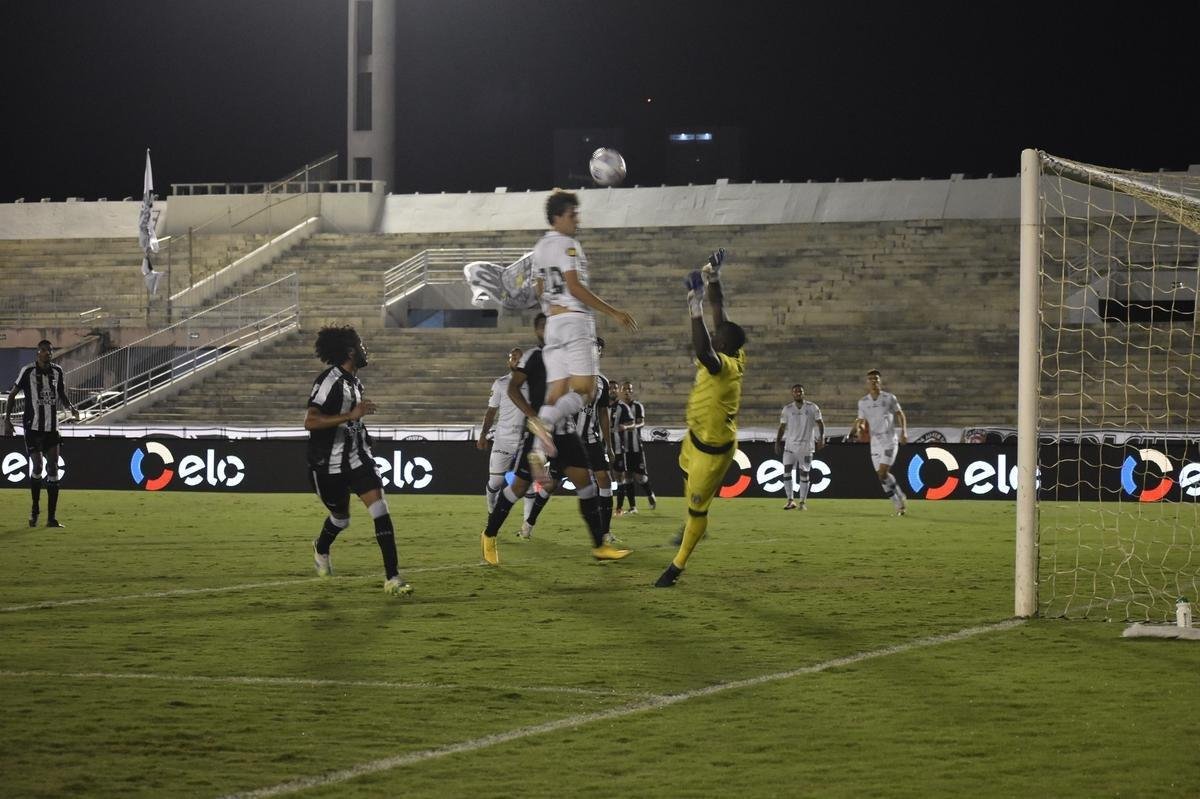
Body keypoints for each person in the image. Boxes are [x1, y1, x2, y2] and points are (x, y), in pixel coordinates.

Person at [480, 313, 630, 565]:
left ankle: (599, 546)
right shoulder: (532, 357)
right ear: (538, 331)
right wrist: (532, 415)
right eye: (543, 327)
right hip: (540, 431)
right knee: (517, 488)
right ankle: (489, 534)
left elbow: (581, 394)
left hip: (566, 431)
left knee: (587, 485)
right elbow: (512, 389)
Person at [526, 189, 637, 478]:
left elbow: (538, 287)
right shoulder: (569, 245)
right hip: (575, 323)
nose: (578, 219)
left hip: (553, 324)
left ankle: (538, 450)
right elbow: (575, 288)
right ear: (558, 217)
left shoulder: (539, 248)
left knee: (557, 392)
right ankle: (543, 423)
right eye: (573, 214)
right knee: (586, 392)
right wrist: (613, 312)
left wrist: (550, 309)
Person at [655, 248, 744, 588]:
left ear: (724, 346)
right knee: (683, 476)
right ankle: (693, 526)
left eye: (717, 337)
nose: (714, 335)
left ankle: (675, 568)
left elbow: (703, 349)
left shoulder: (725, 366)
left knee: (697, 510)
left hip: (712, 449)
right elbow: (721, 316)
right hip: (694, 440)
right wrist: (713, 278)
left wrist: (694, 303)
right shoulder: (733, 348)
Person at [305, 325, 413, 596]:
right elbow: (311, 420)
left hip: (356, 457)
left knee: (380, 509)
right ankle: (321, 547)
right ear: (351, 351)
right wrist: (351, 416)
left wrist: (359, 426)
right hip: (327, 464)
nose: (366, 349)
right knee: (341, 519)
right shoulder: (329, 380)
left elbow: (352, 420)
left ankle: (392, 578)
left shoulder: (355, 383)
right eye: (361, 345)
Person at [3, 339, 79, 527]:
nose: (48, 353)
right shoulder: (27, 371)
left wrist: (71, 407)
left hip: (52, 429)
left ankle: (51, 518)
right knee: (37, 466)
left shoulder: (57, 371)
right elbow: (12, 395)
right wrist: (7, 420)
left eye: (50, 350)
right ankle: (35, 509)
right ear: (38, 353)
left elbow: (61, 393)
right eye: (44, 350)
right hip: (33, 428)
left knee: (52, 468)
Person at [577, 337, 618, 543]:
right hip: (569, 438)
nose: (594, 351)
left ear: (601, 353)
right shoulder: (572, 374)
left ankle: (605, 531)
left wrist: (608, 445)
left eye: (598, 349)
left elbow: (603, 414)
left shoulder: (602, 381)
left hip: (591, 439)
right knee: (549, 484)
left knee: (604, 480)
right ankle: (528, 524)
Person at [851, 369, 908, 516]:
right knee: (881, 476)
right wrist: (859, 428)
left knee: (883, 473)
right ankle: (898, 500)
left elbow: (900, 414)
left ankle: (899, 500)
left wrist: (904, 432)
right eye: (870, 379)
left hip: (889, 440)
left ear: (880, 381)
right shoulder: (863, 402)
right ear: (867, 382)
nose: (873, 381)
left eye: (876, 379)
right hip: (875, 442)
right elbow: (861, 421)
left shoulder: (889, 398)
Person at [477, 347, 525, 513]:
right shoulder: (501, 383)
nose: (516, 361)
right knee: (496, 482)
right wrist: (483, 434)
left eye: (519, 358)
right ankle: (492, 511)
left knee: (530, 485)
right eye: (513, 358)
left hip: (525, 441)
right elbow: (491, 411)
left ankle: (527, 526)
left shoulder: (533, 384)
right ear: (509, 361)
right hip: (503, 439)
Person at [775, 384, 825, 510]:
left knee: (804, 473)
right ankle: (790, 500)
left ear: (803, 393)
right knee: (786, 471)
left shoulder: (812, 407)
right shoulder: (787, 409)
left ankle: (802, 502)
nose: (798, 393)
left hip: (806, 447)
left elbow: (820, 423)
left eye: (800, 391)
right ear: (792, 394)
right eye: (795, 391)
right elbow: (782, 427)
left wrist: (822, 437)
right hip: (790, 446)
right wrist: (777, 442)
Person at [612, 380, 656, 514]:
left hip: (636, 446)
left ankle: (650, 494)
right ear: (620, 391)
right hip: (623, 447)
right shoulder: (615, 407)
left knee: (640, 477)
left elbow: (641, 423)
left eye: (629, 389)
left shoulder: (637, 406)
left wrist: (628, 427)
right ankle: (633, 507)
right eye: (624, 389)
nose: (627, 391)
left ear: (632, 391)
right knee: (627, 476)